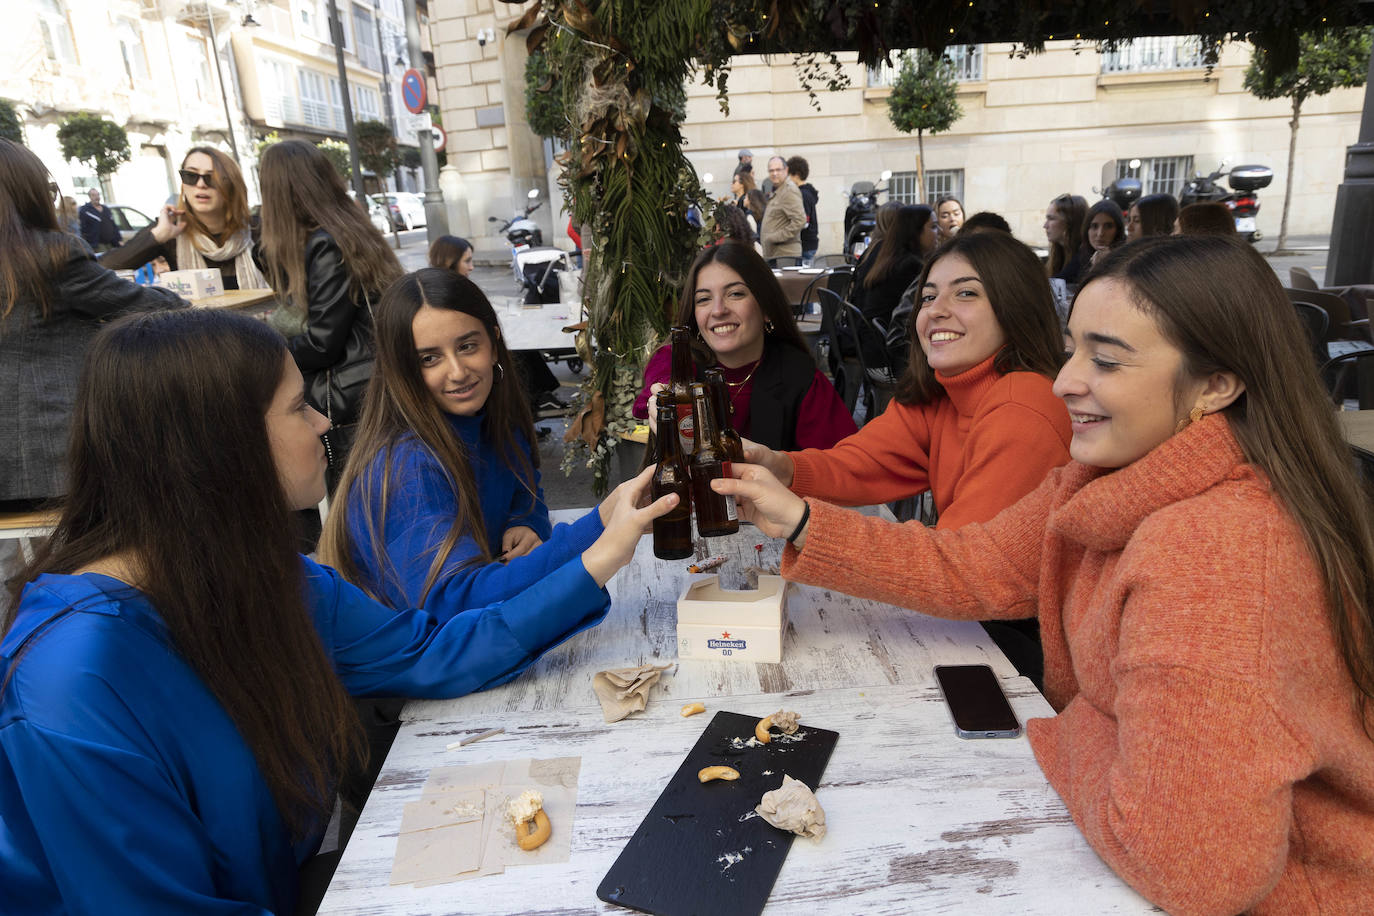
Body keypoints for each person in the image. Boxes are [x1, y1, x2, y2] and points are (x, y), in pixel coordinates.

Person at [718, 235, 1374, 914]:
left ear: (1216, 384)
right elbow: (974, 565)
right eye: (1073, 349)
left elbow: (1193, 870)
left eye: (1107, 360)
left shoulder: (1216, 554)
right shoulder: (1102, 474)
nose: (1064, 382)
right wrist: (799, 517)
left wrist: (1067, 722)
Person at [0, 307, 674, 914]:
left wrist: (598, 541)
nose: (325, 421)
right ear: (220, 446)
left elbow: (431, 650)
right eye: (299, 408)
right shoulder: (71, 683)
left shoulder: (264, 578)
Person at [744, 230, 1070, 680]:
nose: (935, 310)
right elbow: (861, 463)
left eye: (967, 293)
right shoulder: (945, 391)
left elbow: (963, 576)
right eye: (929, 295)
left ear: (1016, 308)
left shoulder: (1023, 408)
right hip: (971, 619)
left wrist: (804, 523)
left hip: (1021, 651)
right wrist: (781, 466)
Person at [320, 268, 651, 619]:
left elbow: (526, 489)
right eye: (429, 358)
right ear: (401, 369)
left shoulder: (496, 417)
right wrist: (600, 523)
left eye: (466, 346)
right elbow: (455, 603)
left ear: (493, 343)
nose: (458, 371)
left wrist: (527, 522)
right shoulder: (408, 464)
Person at [0, 139, 184, 511]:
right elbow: (140, 304)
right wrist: (181, 299)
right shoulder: (50, 252)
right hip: (53, 464)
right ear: (29, 193)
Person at [258, 139, 403, 488]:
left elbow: (324, 342)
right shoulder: (349, 228)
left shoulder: (326, 243)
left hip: (347, 398)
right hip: (376, 384)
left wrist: (265, 356)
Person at [632, 240, 856, 450]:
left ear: (766, 308)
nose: (718, 310)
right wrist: (667, 393)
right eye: (703, 299)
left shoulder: (800, 378)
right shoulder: (680, 361)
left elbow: (840, 465)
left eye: (735, 294)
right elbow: (665, 366)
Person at [428, 235, 563, 417]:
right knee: (515, 351)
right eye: (467, 261)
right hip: (474, 357)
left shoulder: (451, 286)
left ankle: (537, 399)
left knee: (518, 346)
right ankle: (534, 400)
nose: (471, 266)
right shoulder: (444, 291)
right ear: (450, 261)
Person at [101, 146, 269, 292]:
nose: (201, 184)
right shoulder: (172, 232)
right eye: (190, 176)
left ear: (231, 184)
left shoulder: (257, 230)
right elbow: (99, 271)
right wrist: (157, 236)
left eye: (211, 177)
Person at [852, 204, 935, 332]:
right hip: (883, 344)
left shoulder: (889, 255)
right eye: (934, 227)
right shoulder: (909, 265)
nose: (939, 231)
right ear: (915, 231)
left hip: (866, 335)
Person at [759, 156, 806, 262]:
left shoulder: (789, 191)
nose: (774, 173)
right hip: (775, 255)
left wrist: (775, 237)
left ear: (786, 170)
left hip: (785, 255)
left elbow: (800, 221)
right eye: (771, 170)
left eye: (778, 170)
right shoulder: (779, 190)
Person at [1044, 193, 1088, 283]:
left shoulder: (1084, 258)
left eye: (1051, 218)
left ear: (1069, 222)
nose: (1045, 225)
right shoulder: (1059, 253)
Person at [787, 156, 819, 265]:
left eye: (789, 175)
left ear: (796, 175)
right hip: (807, 243)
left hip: (805, 244)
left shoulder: (803, 194)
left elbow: (804, 221)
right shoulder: (806, 192)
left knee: (803, 279)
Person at [1081, 199, 1126, 269]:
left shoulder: (1127, 261)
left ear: (1118, 229)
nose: (1100, 233)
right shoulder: (1081, 255)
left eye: (1108, 226)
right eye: (1094, 226)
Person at [77, 187, 120, 252]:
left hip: (112, 243)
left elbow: (113, 225)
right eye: (93, 195)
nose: (96, 197)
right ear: (90, 197)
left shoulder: (106, 209)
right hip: (98, 245)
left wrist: (119, 239)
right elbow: (83, 229)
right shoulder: (85, 210)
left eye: (97, 195)